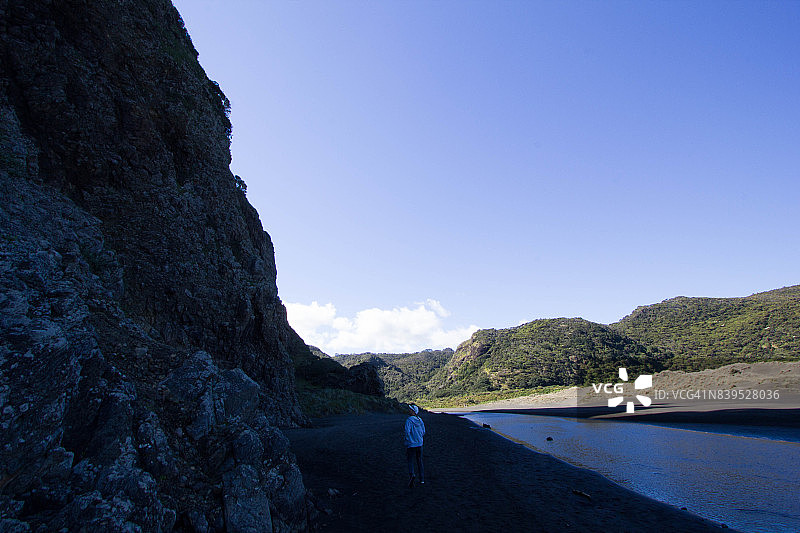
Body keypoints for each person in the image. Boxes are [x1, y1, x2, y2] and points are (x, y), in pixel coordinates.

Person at [404, 403, 425, 487]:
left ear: (413, 411)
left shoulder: (409, 420)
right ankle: (422, 479)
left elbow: (407, 432)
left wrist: (408, 440)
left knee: (410, 461)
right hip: (420, 444)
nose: (408, 410)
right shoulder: (420, 420)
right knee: (419, 461)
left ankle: (412, 475)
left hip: (411, 444)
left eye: (410, 409)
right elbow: (423, 432)